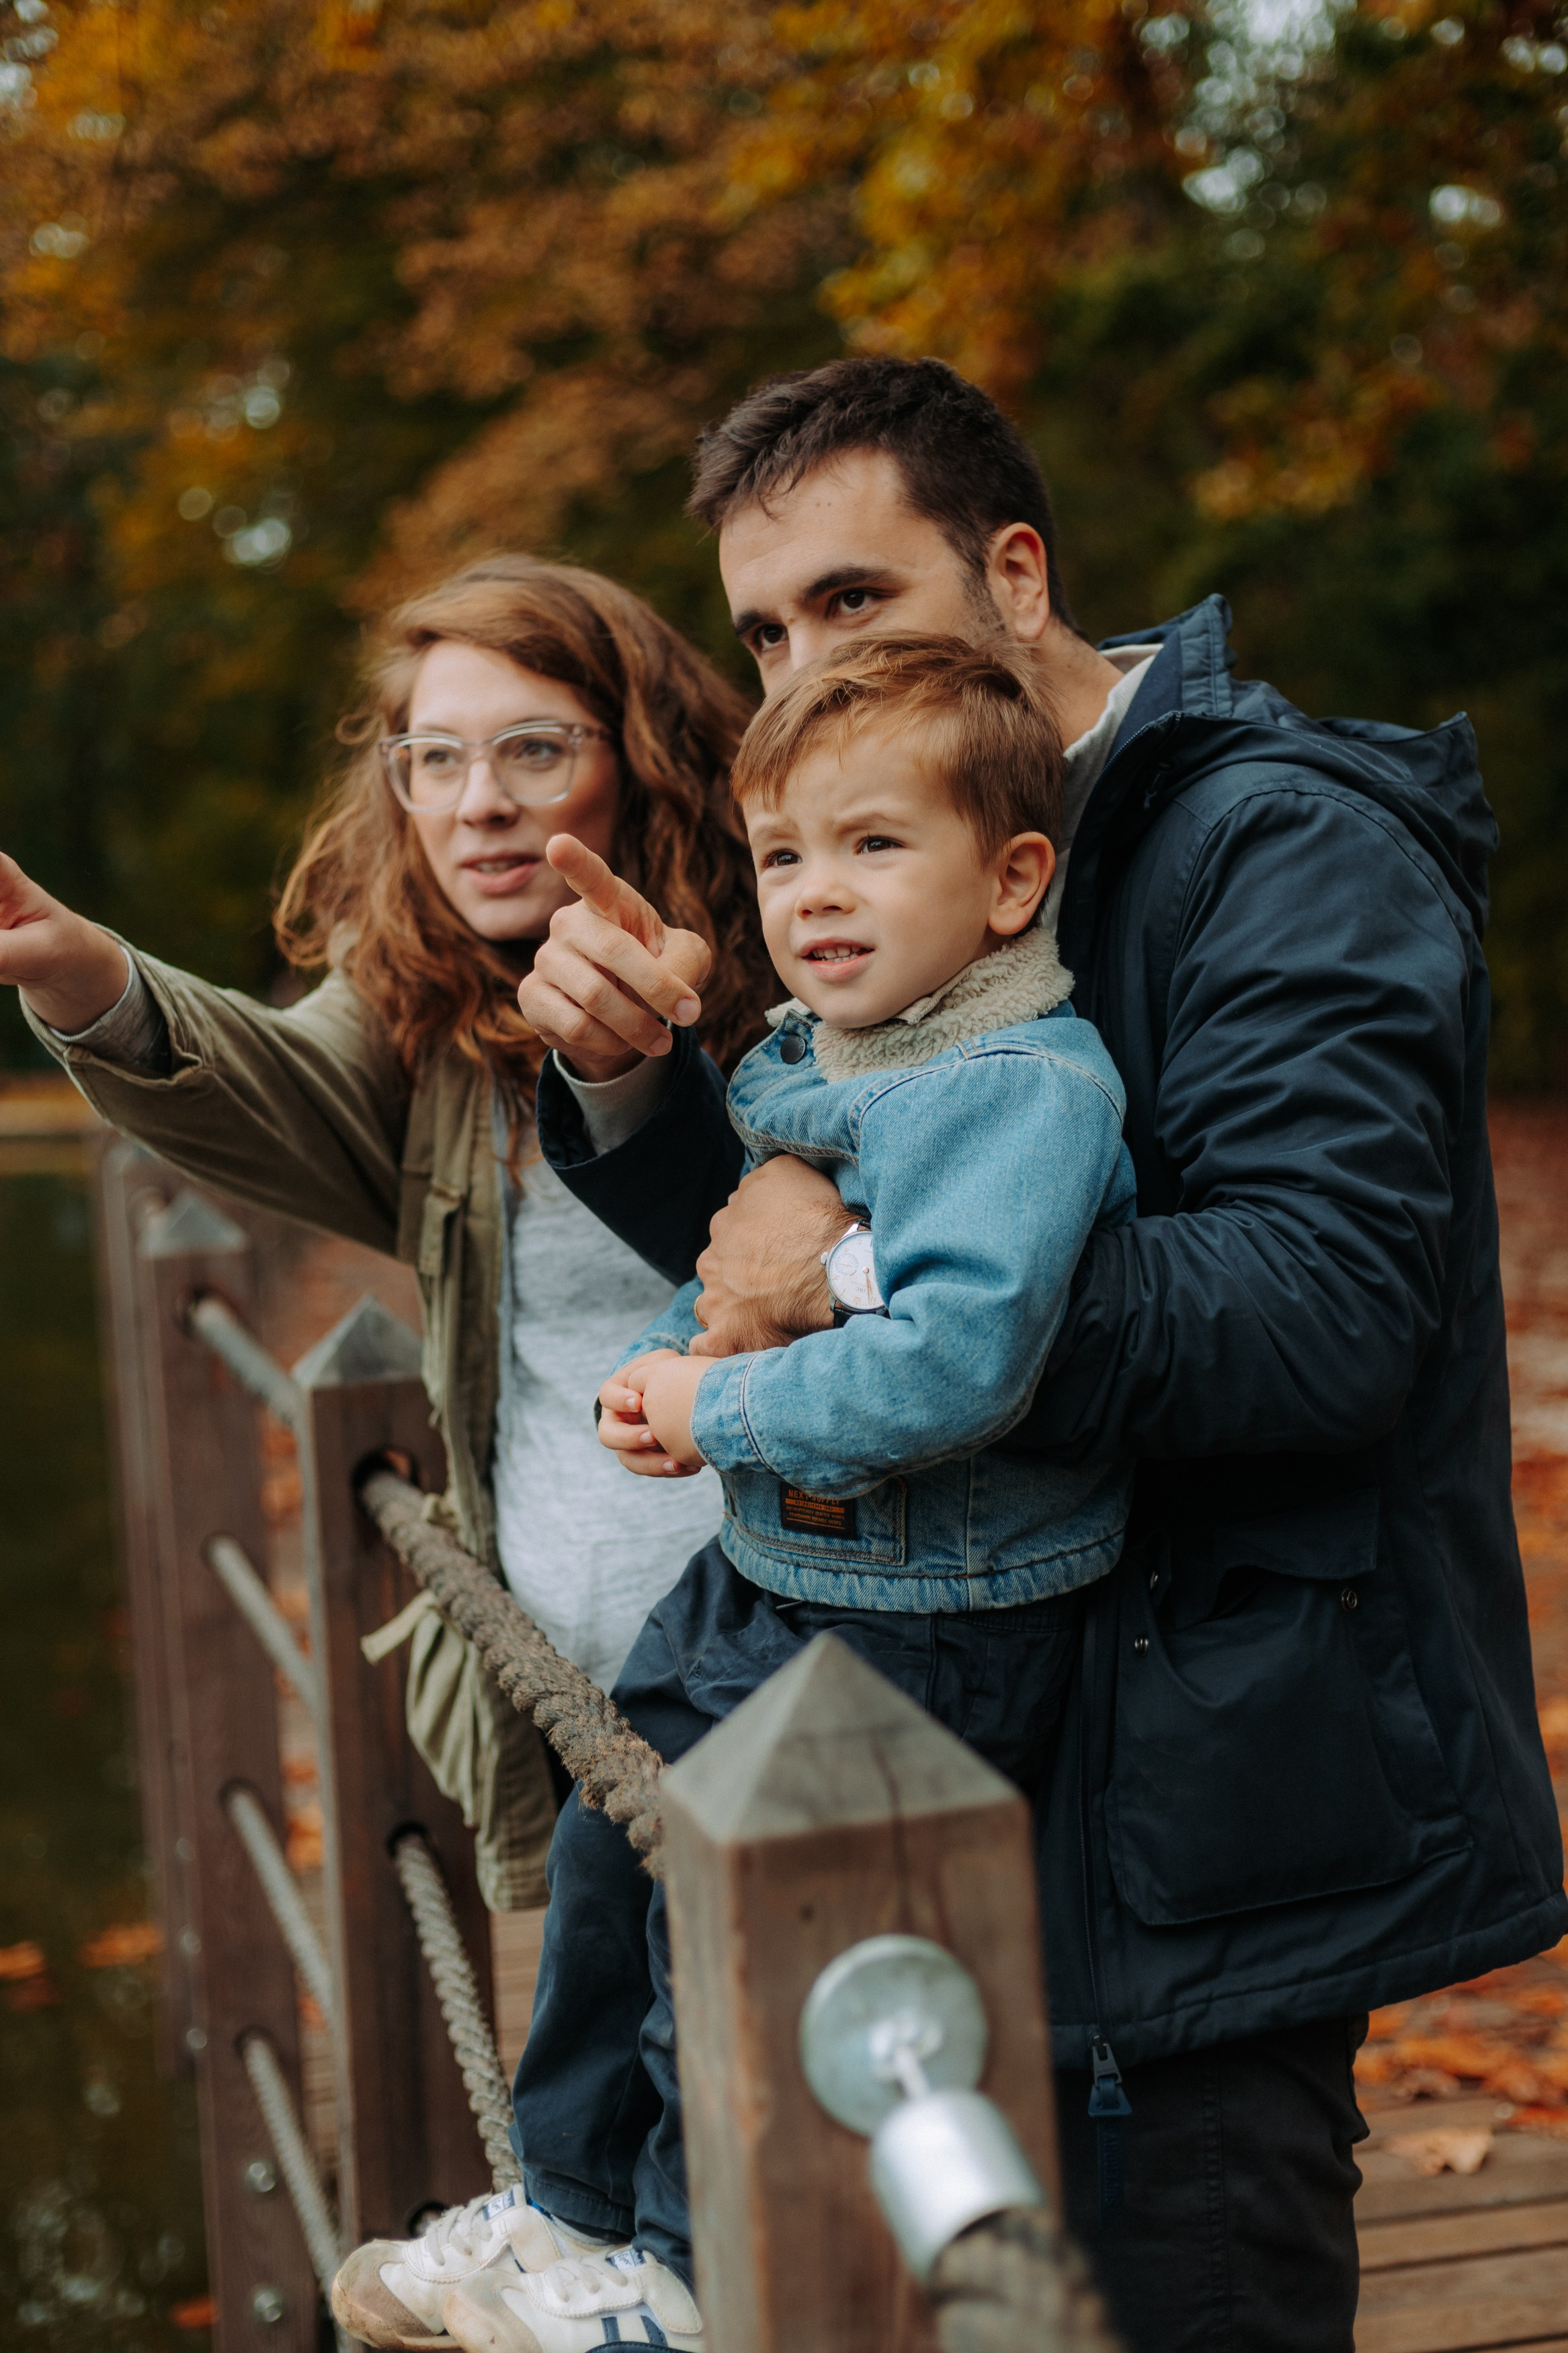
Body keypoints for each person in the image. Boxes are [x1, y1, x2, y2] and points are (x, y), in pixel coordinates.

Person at [511, 357, 1566, 2353]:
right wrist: (649, 1093)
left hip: (1206, 1805)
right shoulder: (885, 824)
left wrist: (867, 1278)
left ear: (1012, 570)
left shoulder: (1280, 848)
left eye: (848, 597)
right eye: (759, 626)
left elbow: (1318, 1312)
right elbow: (795, 1248)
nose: (799, 657)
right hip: (939, 1717)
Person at [0, 555, 776, 2350]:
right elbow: (269, 1091)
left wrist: (660, 1066)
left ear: (642, 757)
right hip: (571, 1666)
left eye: (529, 747)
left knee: (741, 2116)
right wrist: (81, 977)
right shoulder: (429, 1009)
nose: (477, 802)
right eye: (433, 760)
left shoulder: (783, 960)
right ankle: (589, 2246)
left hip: (779, 1664)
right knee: (624, 2040)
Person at [441, 628, 1139, 2353]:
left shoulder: (1018, 1091)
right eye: (782, 856)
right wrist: (668, 1362)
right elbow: (754, 1252)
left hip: (926, 1619)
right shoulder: (839, 1047)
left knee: (733, 1948)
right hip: (768, 1572)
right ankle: (573, 2210)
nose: (816, 895)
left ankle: (679, 2271)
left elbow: (956, 1363)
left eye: (875, 845)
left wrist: (722, 1399)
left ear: (1011, 879)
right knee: (619, 1858)